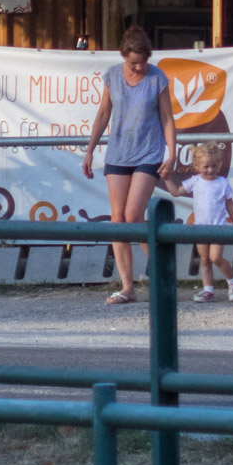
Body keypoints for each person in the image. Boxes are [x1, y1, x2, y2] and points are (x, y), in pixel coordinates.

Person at [82, 27, 177, 305]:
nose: (139, 67)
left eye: (143, 62)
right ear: (123, 56)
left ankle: (162, 272)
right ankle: (127, 287)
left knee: (135, 215)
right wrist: (89, 151)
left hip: (148, 152)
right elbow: (103, 114)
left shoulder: (157, 77)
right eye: (134, 62)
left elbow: (167, 117)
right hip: (118, 153)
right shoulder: (113, 75)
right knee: (117, 219)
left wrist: (172, 153)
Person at [167, 141, 233, 303]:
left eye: (214, 166)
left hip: (218, 228)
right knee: (205, 260)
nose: (210, 170)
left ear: (219, 165)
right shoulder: (194, 181)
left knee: (216, 257)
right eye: (206, 166)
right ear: (196, 165)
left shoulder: (222, 182)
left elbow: (230, 204)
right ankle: (208, 289)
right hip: (200, 229)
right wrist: (166, 179)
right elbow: (175, 192)